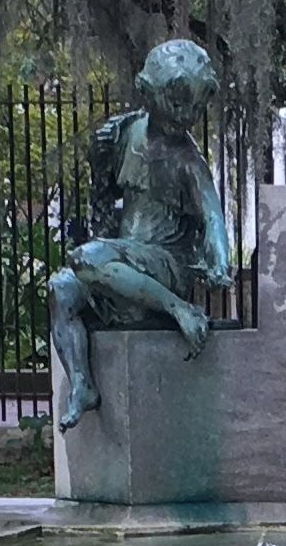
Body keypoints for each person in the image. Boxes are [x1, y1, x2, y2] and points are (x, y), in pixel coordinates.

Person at [51, 39, 231, 431]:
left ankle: (179, 309)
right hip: (124, 259)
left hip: (166, 264)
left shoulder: (188, 161)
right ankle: (83, 384)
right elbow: (103, 195)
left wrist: (220, 261)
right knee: (62, 287)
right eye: (178, 101)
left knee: (86, 259)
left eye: (197, 107)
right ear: (147, 92)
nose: (186, 115)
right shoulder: (123, 134)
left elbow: (214, 217)